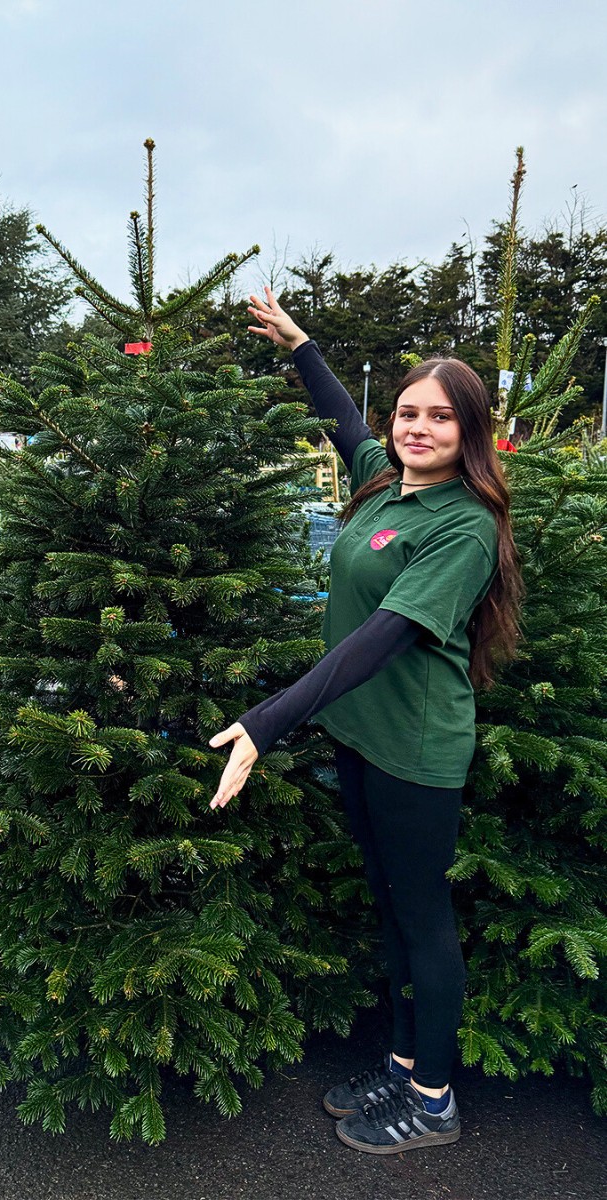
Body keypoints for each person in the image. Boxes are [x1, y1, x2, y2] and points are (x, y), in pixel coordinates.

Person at [208, 288, 522, 1155]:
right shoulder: (385, 487)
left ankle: (433, 1100)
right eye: (407, 413)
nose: (417, 427)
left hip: (415, 751)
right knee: (388, 908)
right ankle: (400, 1058)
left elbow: (380, 642)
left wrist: (268, 722)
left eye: (440, 417)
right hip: (360, 738)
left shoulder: (463, 527)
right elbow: (345, 419)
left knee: (422, 915)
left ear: (472, 430)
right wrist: (302, 343)